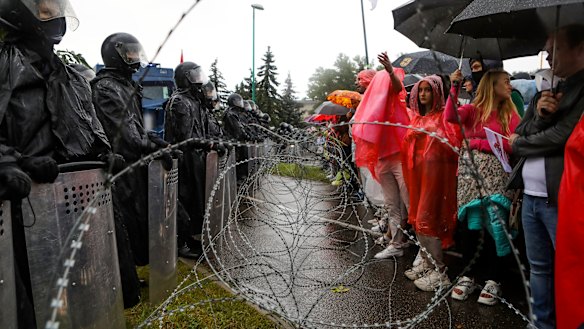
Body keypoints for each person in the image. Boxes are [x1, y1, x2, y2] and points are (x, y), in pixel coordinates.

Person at [1, 0, 117, 324]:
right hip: (20, 205)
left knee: (73, 282)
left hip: (64, 199)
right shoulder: (5, 65)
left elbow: (85, 123)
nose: (57, 16)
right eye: (47, 9)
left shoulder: (68, 74)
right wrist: (14, 163)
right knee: (26, 300)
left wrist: (101, 153)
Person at [508, 24, 584, 329]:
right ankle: (542, 323)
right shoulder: (550, 87)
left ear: (579, 48)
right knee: (538, 269)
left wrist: (523, 142)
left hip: (562, 199)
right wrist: (540, 114)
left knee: (573, 269)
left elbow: (564, 137)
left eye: (554, 50)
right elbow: (521, 130)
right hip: (532, 197)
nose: (548, 57)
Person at [92, 32, 175, 306]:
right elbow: (124, 131)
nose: (135, 57)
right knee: (121, 226)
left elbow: (138, 127)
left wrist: (155, 140)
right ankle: (119, 281)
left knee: (133, 224)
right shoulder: (106, 87)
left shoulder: (126, 85)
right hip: (119, 169)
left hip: (132, 166)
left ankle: (126, 275)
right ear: (115, 54)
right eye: (129, 52)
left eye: (135, 52)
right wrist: (150, 145)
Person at [447, 69, 521, 305]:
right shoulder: (472, 110)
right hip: (470, 179)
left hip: (497, 178)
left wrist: (477, 142)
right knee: (472, 226)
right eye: (505, 82)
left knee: (496, 225)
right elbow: (450, 117)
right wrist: (454, 86)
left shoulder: (510, 115)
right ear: (492, 85)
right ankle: (468, 276)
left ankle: (494, 279)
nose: (510, 85)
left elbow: (515, 146)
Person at [400, 75, 458, 291]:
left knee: (426, 219)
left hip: (435, 178)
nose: (423, 94)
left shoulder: (443, 118)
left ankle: (440, 271)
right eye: (420, 90)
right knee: (416, 218)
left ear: (437, 93)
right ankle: (427, 262)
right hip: (417, 177)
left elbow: (451, 145)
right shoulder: (417, 118)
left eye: (428, 90)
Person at [352, 52, 411, 259]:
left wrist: (388, 70)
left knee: (410, 204)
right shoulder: (369, 105)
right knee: (392, 204)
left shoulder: (392, 96)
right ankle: (397, 243)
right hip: (383, 158)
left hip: (399, 157)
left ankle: (426, 253)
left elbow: (397, 87)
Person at [164, 61, 213, 258]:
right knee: (183, 199)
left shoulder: (194, 101)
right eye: (195, 75)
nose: (199, 80)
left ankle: (189, 236)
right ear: (185, 77)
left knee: (194, 201)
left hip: (196, 158)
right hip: (184, 160)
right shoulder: (179, 101)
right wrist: (207, 144)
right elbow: (186, 136)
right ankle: (179, 242)